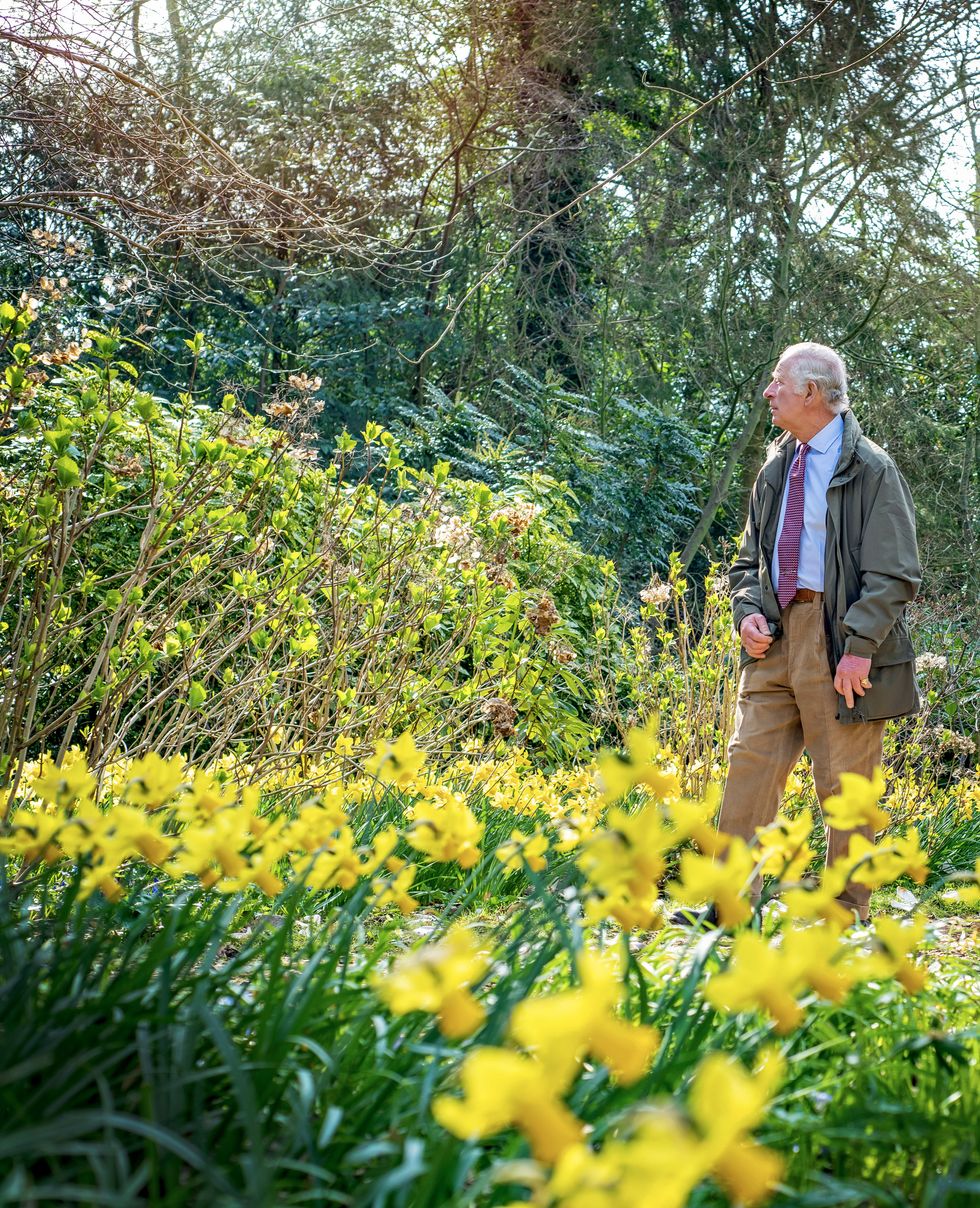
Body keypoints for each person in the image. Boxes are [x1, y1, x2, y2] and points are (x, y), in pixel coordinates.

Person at [684, 342, 921, 926]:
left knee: (846, 786)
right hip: (774, 639)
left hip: (839, 640)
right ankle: (729, 910)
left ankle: (846, 914)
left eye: (777, 383)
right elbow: (747, 562)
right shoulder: (774, 466)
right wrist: (746, 613)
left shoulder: (870, 467)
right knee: (748, 769)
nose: (768, 392)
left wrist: (860, 647)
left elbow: (895, 572)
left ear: (811, 393)